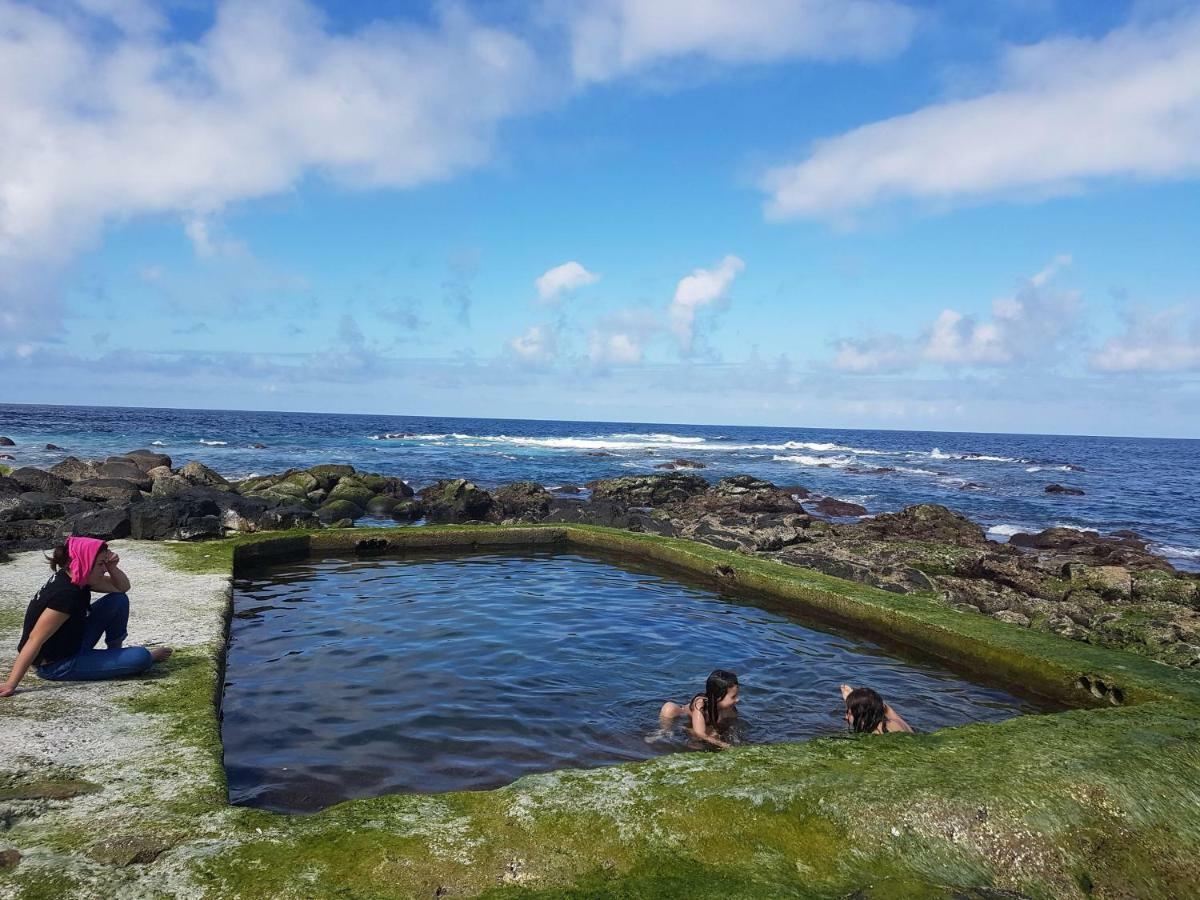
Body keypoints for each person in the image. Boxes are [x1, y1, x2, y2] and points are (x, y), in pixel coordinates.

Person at [0, 537, 172, 697]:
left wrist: (113, 567)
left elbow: (121, 588)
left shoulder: (77, 576)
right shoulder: (66, 595)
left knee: (118, 600)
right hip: (56, 664)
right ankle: (121, 660)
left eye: (105, 563)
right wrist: (11, 684)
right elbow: (34, 639)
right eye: (100, 564)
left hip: (73, 642)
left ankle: (115, 653)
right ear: (83, 563)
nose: (104, 568)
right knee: (141, 657)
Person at [659, 669, 740, 749]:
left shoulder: (730, 709)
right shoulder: (700, 704)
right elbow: (700, 733)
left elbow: (732, 728)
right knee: (669, 708)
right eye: (733, 697)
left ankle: (687, 729)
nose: (737, 699)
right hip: (683, 715)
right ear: (717, 698)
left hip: (703, 722)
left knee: (713, 735)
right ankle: (663, 732)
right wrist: (724, 745)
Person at [840, 683, 913, 734]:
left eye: (849, 713)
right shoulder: (897, 723)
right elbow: (884, 708)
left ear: (862, 718)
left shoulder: (874, 735)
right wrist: (854, 697)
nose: (846, 717)